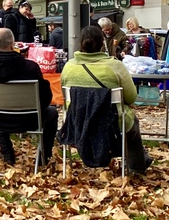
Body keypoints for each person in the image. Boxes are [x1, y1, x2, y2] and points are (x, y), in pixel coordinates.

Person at [60, 25, 152, 174]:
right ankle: (137, 168)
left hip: (78, 121)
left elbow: (65, 95)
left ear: (80, 44)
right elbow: (131, 97)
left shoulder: (68, 67)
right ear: (102, 44)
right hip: (112, 123)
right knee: (132, 125)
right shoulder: (115, 66)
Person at [0, 28, 58, 166]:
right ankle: (43, 156)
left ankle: (7, 154)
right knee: (51, 112)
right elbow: (45, 99)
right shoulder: (30, 68)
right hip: (29, 119)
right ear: (12, 44)